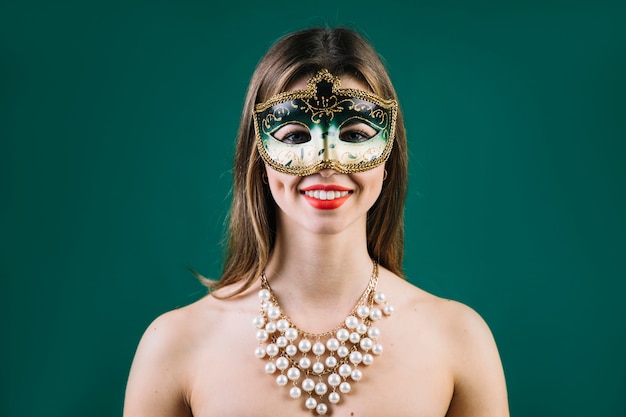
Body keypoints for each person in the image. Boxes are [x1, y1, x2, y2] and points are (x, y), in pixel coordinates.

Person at [123, 26, 509, 416]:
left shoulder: (459, 341)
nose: (326, 164)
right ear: (260, 162)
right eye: (294, 136)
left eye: (356, 134)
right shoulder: (173, 346)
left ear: (388, 160)